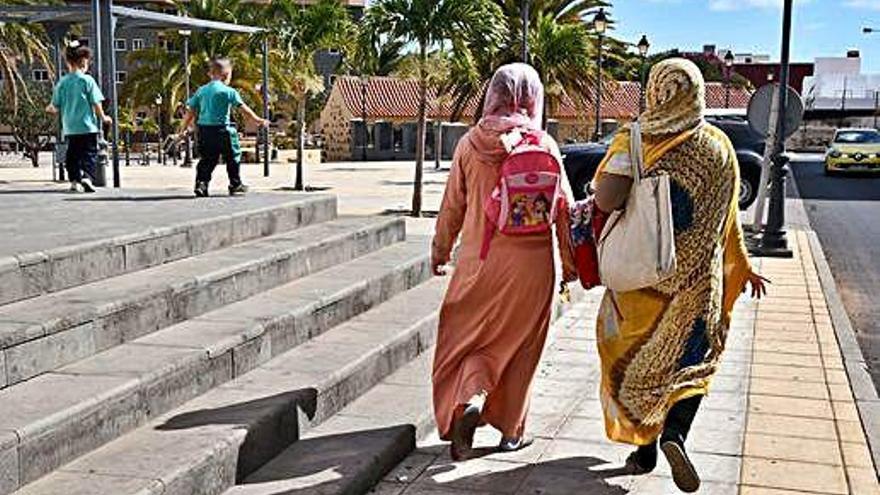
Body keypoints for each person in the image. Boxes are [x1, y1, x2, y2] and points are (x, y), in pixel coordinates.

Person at [590, 58, 768, 493]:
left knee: (633, 366)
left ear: (653, 91)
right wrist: (741, 266)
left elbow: (608, 200)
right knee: (692, 364)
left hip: (641, 287)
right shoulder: (719, 146)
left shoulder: (636, 138)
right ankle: (676, 434)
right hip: (697, 284)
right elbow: (730, 219)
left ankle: (645, 449)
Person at [431, 63, 577, 461]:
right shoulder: (544, 144)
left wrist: (440, 252)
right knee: (523, 347)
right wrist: (570, 263)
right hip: (533, 266)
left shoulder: (469, 144)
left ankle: (471, 398)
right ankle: (511, 432)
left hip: (479, 262)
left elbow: (452, 208)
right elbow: (563, 210)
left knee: (474, 338)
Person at [176, 57, 268, 197]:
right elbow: (244, 109)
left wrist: (182, 129)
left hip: (204, 130)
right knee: (233, 156)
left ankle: (201, 184)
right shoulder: (229, 91)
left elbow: (190, 112)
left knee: (207, 159)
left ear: (210, 74)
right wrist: (258, 120)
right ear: (226, 75)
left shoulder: (201, 91)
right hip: (223, 130)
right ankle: (235, 184)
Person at [46, 42, 112, 193]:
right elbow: (96, 103)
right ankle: (87, 177)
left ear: (68, 62)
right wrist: (104, 117)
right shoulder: (87, 80)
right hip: (88, 126)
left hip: (70, 127)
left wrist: (50, 109)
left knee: (73, 155)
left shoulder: (62, 82)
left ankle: (74, 181)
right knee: (89, 153)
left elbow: (54, 106)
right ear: (83, 62)